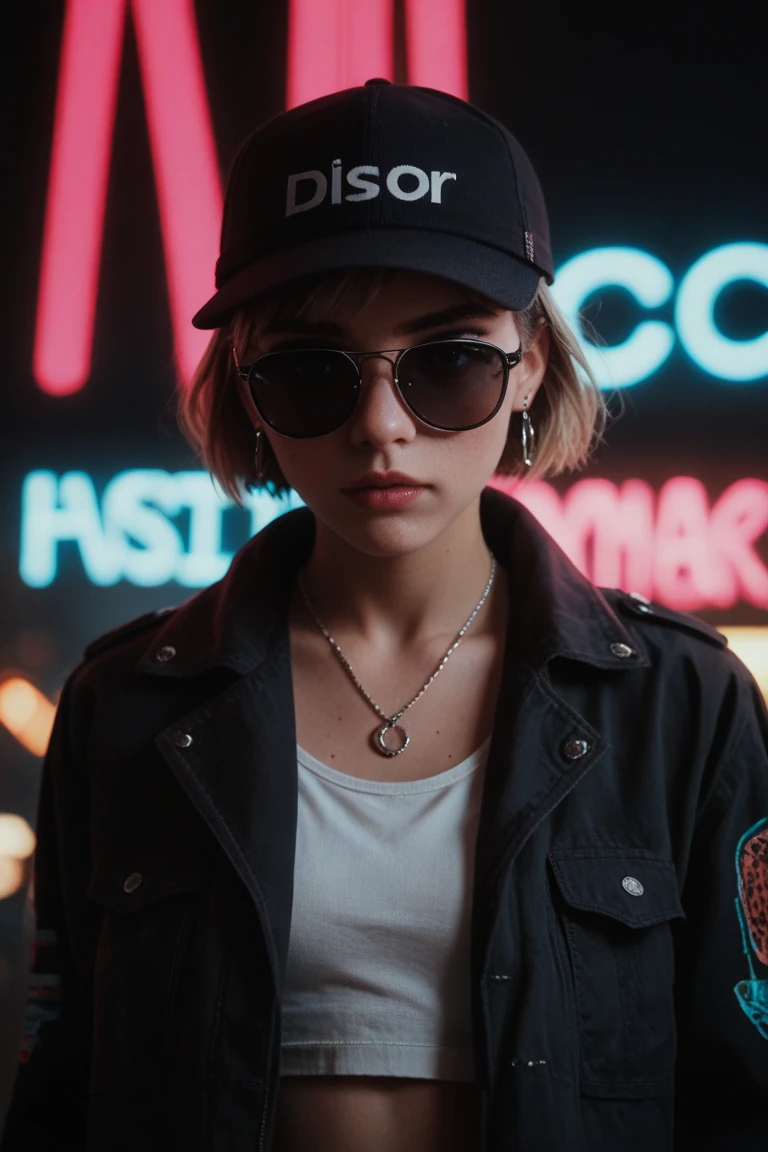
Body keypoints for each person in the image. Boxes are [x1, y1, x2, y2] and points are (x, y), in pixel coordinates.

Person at [2, 79, 767, 1152]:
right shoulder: (122, 705)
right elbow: (63, 1092)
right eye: (313, 372)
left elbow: (742, 1099)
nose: (380, 428)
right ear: (247, 390)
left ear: (529, 366)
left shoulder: (685, 706)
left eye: (448, 363)